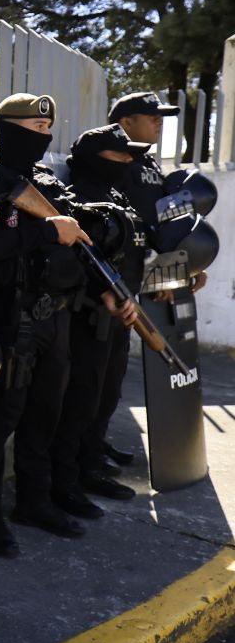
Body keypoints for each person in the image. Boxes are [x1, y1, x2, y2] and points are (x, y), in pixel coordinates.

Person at [0, 93, 92, 557]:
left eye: (47, 130)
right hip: (11, 315)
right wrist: (49, 230)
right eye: (33, 130)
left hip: (54, 316)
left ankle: (33, 501)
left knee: (44, 415)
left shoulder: (46, 180)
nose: (43, 137)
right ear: (7, 130)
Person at [94, 91, 209, 483]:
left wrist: (183, 269)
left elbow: (162, 225)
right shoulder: (118, 163)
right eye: (151, 116)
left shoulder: (150, 164)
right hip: (116, 279)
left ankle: (97, 440)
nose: (159, 122)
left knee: (113, 376)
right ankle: (86, 451)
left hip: (142, 278)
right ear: (125, 123)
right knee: (97, 376)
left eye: (161, 116)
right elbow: (127, 227)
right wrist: (159, 270)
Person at [49, 125, 147, 519]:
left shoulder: (117, 196)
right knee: (80, 400)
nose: (128, 161)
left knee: (106, 396)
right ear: (95, 158)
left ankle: (91, 463)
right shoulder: (77, 203)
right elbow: (76, 263)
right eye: (119, 155)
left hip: (122, 315)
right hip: (88, 317)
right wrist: (101, 295)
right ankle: (67, 480)